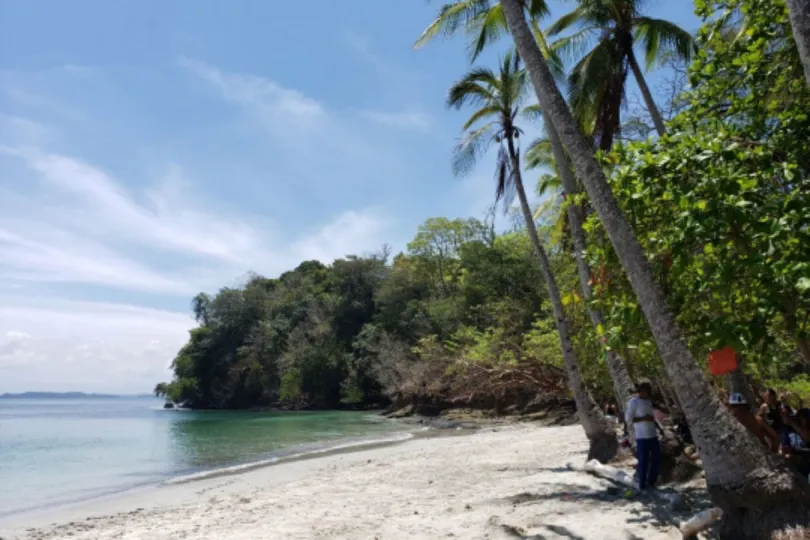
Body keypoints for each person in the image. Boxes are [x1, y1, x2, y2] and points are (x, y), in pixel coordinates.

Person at [625, 380, 660, 490]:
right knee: (644, 461)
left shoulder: (648, 402)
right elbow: (628, 419)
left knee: (656, 460)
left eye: (646, 392)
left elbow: (652, 418)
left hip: (653, 435)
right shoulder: (633, 402)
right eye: (642, 391)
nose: (644, 393)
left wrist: (659, 428)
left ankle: (651, 482)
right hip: (642, 437)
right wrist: (643, 419)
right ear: (639, 391)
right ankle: (642, 485)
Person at [782, 408, 810, 477]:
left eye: (802, 418)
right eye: (798, 418)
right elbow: (783, 448)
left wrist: (792, 423)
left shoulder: (795, 426)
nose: (800, 421)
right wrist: (786, 452)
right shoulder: (789, 430)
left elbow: (808, 438)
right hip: (799, 468)